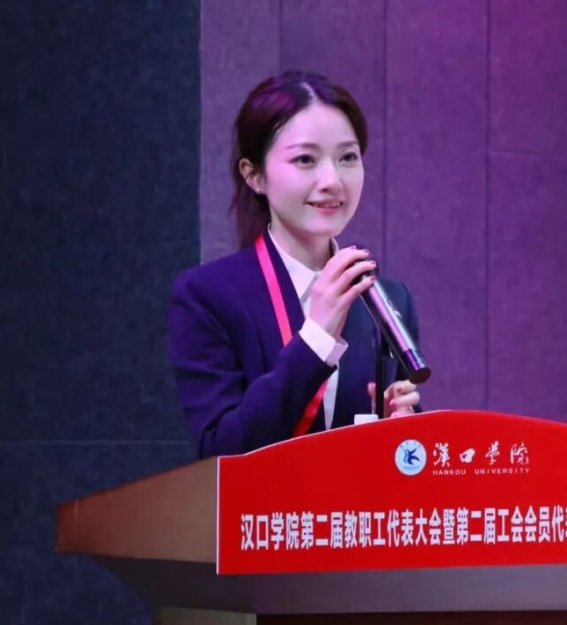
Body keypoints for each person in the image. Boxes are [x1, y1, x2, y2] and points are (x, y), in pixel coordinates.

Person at [167, 69, 423, 461]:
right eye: (305, 159)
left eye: (347, 157)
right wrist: (315, 340)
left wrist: (403, 432)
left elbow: (407, 461)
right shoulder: (207, 296)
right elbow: (223, 451)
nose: (332, 180)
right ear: (254, 176)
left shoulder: (387, 297)